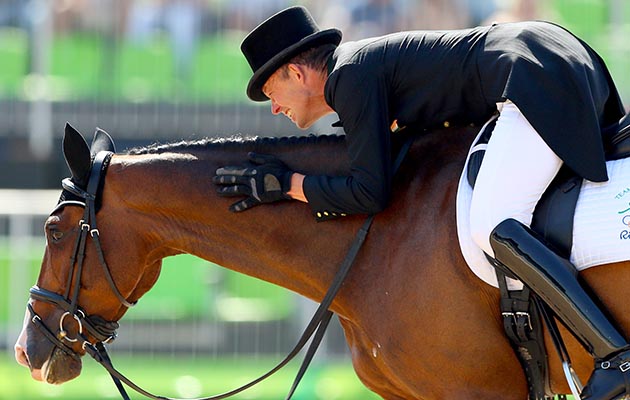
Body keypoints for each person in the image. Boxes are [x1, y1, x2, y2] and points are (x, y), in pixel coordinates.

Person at [213, 6, 629, 398]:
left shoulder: (349, 78)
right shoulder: (358, 71)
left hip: (530, 73)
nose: (273, 108)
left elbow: (369, 192)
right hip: (552, 54)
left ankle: (614, 356)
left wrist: (288, 185)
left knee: (492, 224)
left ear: (296, 72)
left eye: (272, 90)